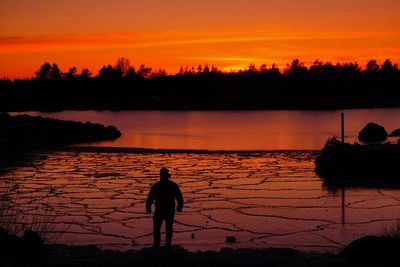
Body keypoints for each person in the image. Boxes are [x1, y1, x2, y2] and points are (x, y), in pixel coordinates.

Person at [146, 168, 183, 249]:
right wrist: (179, 206)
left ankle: (159, 245)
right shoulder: (171, 185)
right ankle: (164, 245)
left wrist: (148, 207)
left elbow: (150, 198)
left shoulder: (157, 185)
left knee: (159, 227)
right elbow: (179, 197)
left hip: (162, 209)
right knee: (165, 227)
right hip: (166, 209)